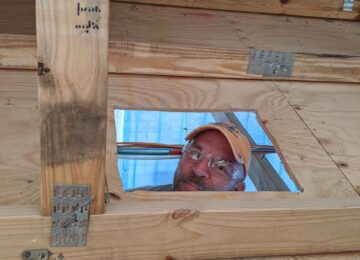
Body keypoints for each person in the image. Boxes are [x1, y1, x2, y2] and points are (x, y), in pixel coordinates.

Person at [127, 122, 251, 192]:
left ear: (237, 191)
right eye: (195, 154)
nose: (199, 170)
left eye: (220, 167)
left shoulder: (252, 235)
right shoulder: (133, 201)